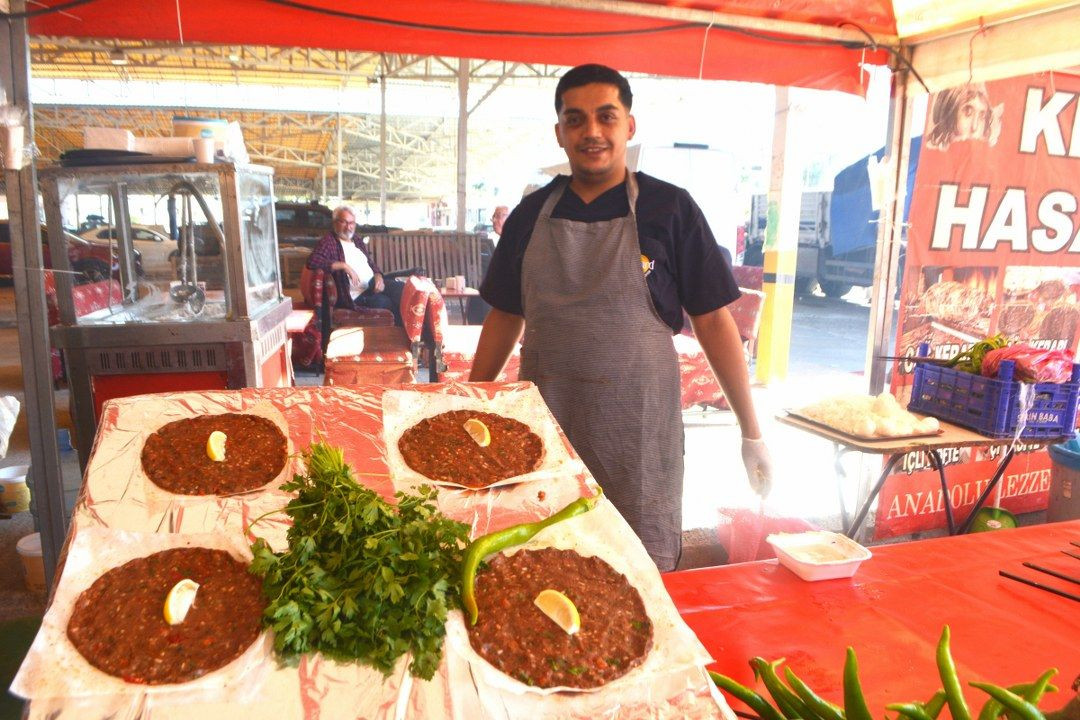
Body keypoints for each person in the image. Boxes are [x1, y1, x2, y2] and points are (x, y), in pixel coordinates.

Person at [469, 64, 772, 570]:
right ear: (560, 133)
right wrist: (469, 406)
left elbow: (714, 322)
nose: (592, 131)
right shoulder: (529, 215)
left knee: (639, 570)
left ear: (628, 125)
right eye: (576, 119)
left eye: (606, 117)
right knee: (547, 563)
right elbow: (504, 316)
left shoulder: (670, 209)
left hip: (640, 439)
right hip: (549, 435)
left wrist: (751, 430)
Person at [305, 205, 402, 324]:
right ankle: (406, 337)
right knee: (386, 302)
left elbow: (370, 263)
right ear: (335, 223)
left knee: (403, 290)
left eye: (351, 223)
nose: (348, 227)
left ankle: (420, 333)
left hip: (372, 284)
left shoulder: (356, 240)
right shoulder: (329, 241)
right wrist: (344, 266)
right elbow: (312, 261)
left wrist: (378, 276)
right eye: (344, 222)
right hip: (355, 295)